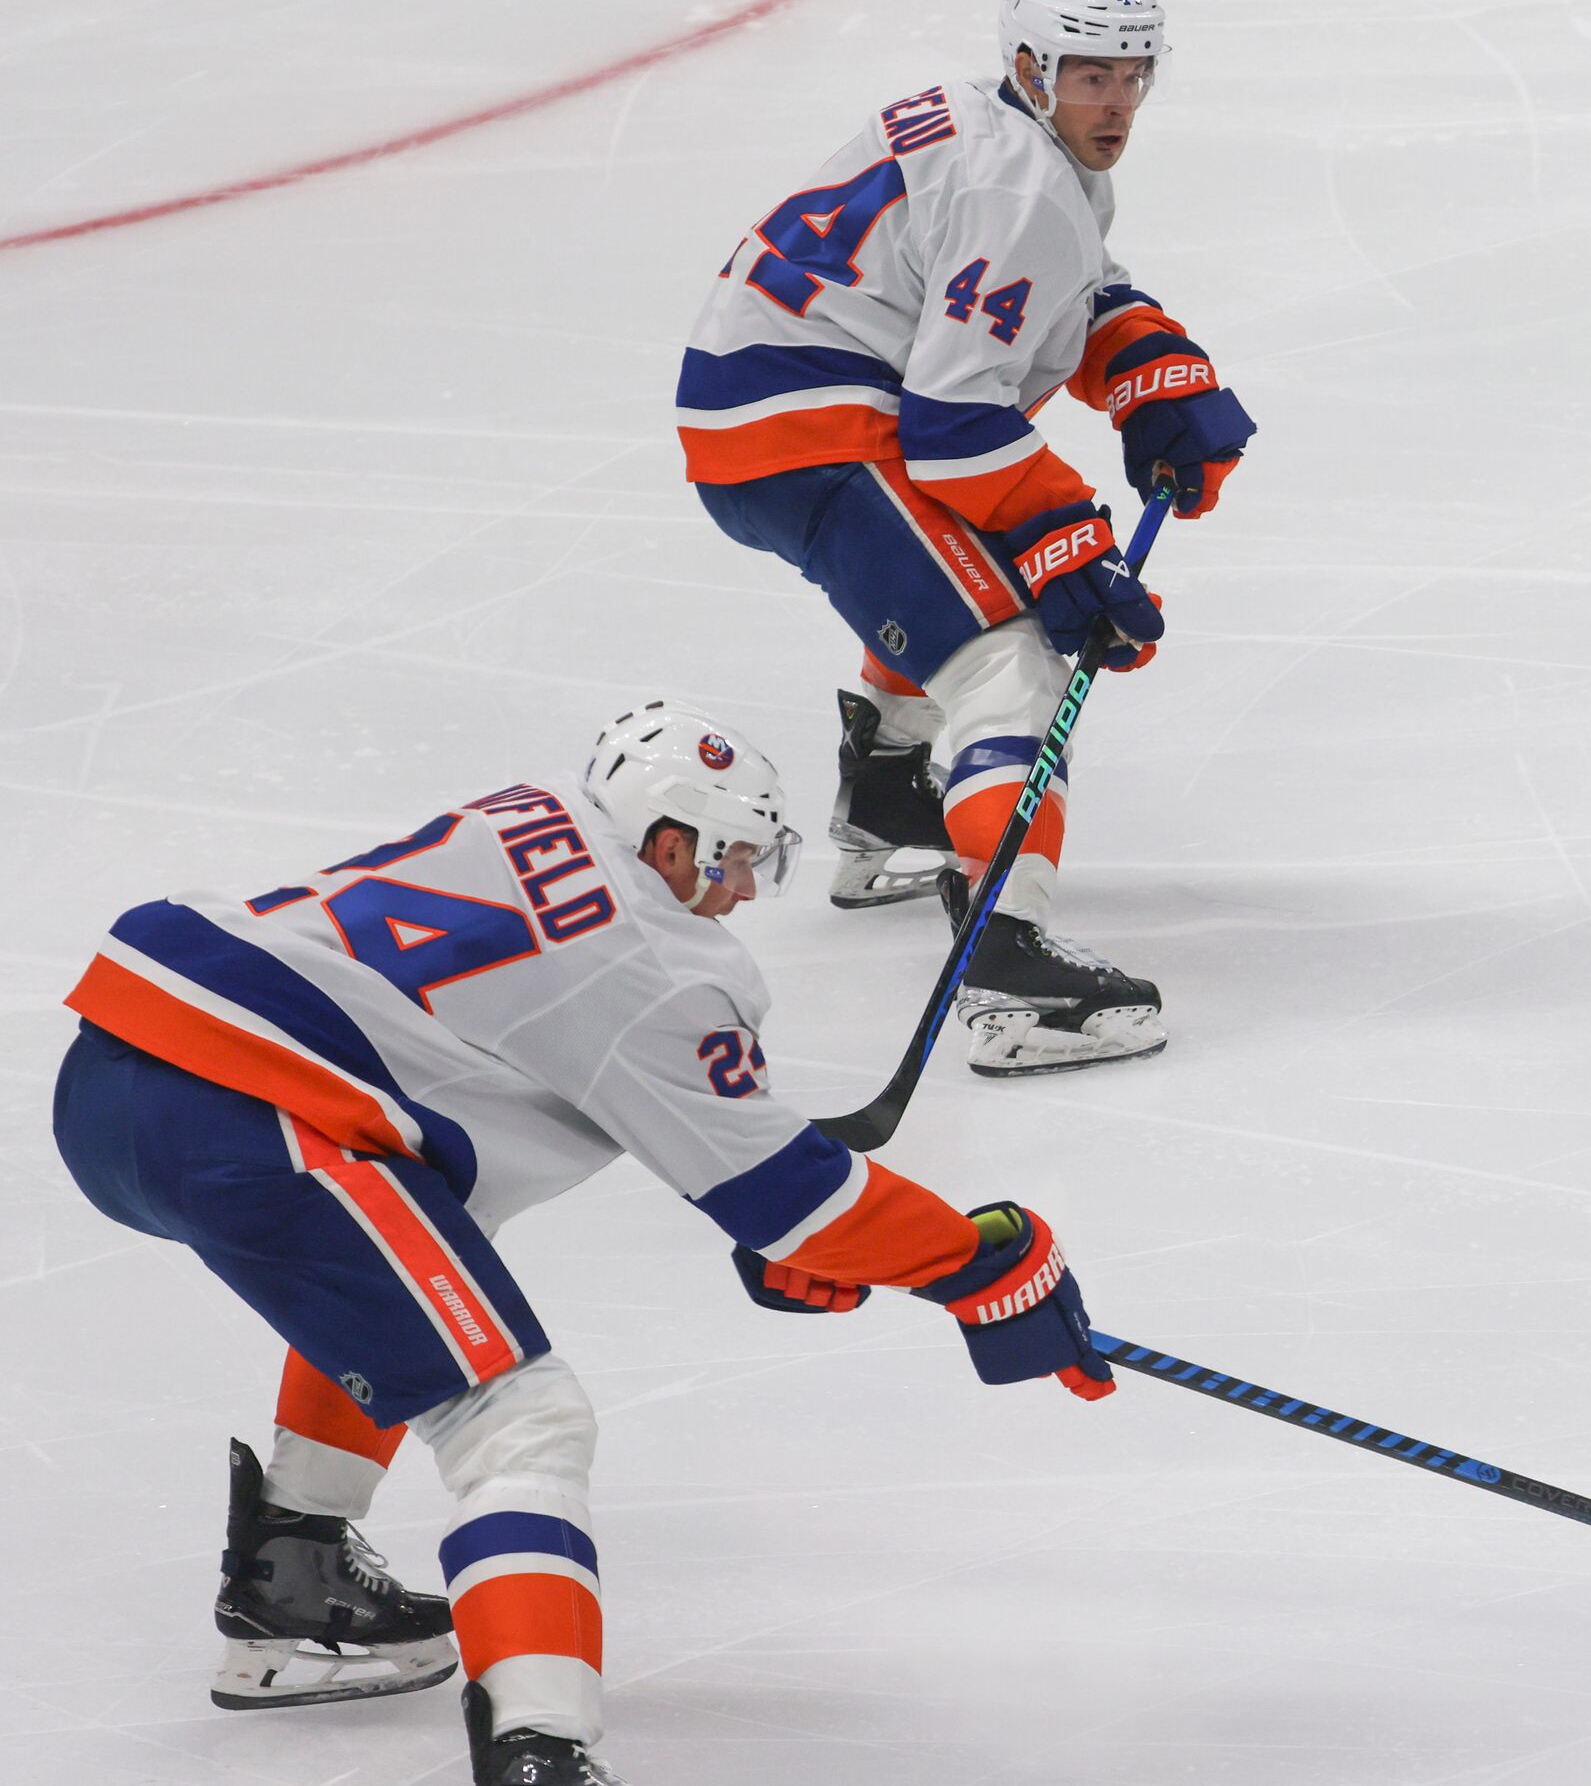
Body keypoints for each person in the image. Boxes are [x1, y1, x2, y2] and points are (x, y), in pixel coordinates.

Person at [52, 700, 1116, 1785]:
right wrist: (990, 1265)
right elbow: (794, 1199)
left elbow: (574, 1079)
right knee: (520, 1421)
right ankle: (537, 1745)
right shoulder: (653, 965)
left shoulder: (534, 810)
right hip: (256, 1118)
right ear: (671, 844)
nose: (746, 889)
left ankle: (293, 1574)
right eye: (738, 858)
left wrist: (777, 1212)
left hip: (119, 1077)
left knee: (409, 1266)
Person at [674, 0, 1255, 1077]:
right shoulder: (1023, 184)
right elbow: (953, 419)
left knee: (947, 578)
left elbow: (1046, 290)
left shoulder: (990, 129)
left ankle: (892, 800)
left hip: (770, 409)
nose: (1118, 102)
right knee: (1013, 650)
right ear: (1033, 67)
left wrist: (1152, 372)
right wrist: (1065, 546)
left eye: (1134, 75)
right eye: (1093, 76)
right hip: (813, 433)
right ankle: (1008, 962)